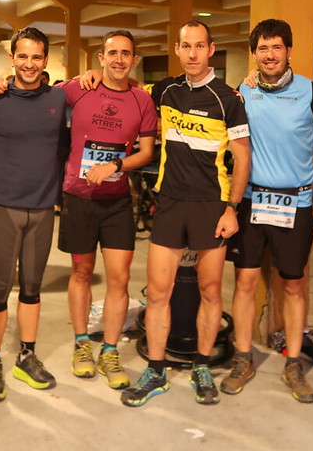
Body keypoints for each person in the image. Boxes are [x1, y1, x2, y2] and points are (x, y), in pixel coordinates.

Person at [120, 21, 250, 407]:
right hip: (171, 204)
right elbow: (124, 84)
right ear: (177, 49)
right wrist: (91, 75)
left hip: (212, 206)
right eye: (186, 46)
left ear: (211, 49)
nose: (192, 53)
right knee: (159, 292)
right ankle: (156, 370)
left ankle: (202, 367)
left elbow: (243, 158)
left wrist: (232, 209)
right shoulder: (165, 90)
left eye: (199, 46)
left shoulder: (228, 98)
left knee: (210, 291)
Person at [222, 19, 313, 402]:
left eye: (277, 47)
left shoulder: (311, 92)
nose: (270, 55)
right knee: (245, 283)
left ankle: (293, 363)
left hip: (295, 203)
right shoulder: (243, 92)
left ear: (288, 51)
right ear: (254, 54)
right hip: (252, 201)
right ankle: (243, 359)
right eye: (263, 48)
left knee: (293, 285)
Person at [59, 31, 157, 390]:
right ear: (101, 57)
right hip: (78, 198)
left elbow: (146, 153)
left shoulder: (142, 100)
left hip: (116, 202)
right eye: (112, 53)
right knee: (81, 273)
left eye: (125, 54)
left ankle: (111, 351)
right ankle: (82, 343)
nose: (118, 59)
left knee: (119, 279)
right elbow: (34, 91)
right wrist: (1, 84)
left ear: (134, 60)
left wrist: (114, 165)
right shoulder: (79, 89)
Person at [0, 27, 68, 402]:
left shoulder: (58, 98)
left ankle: (26, 357)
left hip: (43, 209)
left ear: (45, 60)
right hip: (2, 206)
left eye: (37, 57)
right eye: (23, 56)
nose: (29, 64)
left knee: (32, 286)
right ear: (11, 58)